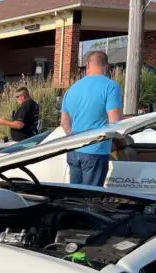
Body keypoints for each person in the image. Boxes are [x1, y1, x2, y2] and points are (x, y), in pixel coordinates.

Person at [60, 51, 123, 186]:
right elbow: (115, 122)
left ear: (87, 65)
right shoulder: (110, 86)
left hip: (74, 149)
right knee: (91, 198)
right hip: (96, 150)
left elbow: (64, 124)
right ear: (106, 66)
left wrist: (75, 138)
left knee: (75, 196)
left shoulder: (71, 89)